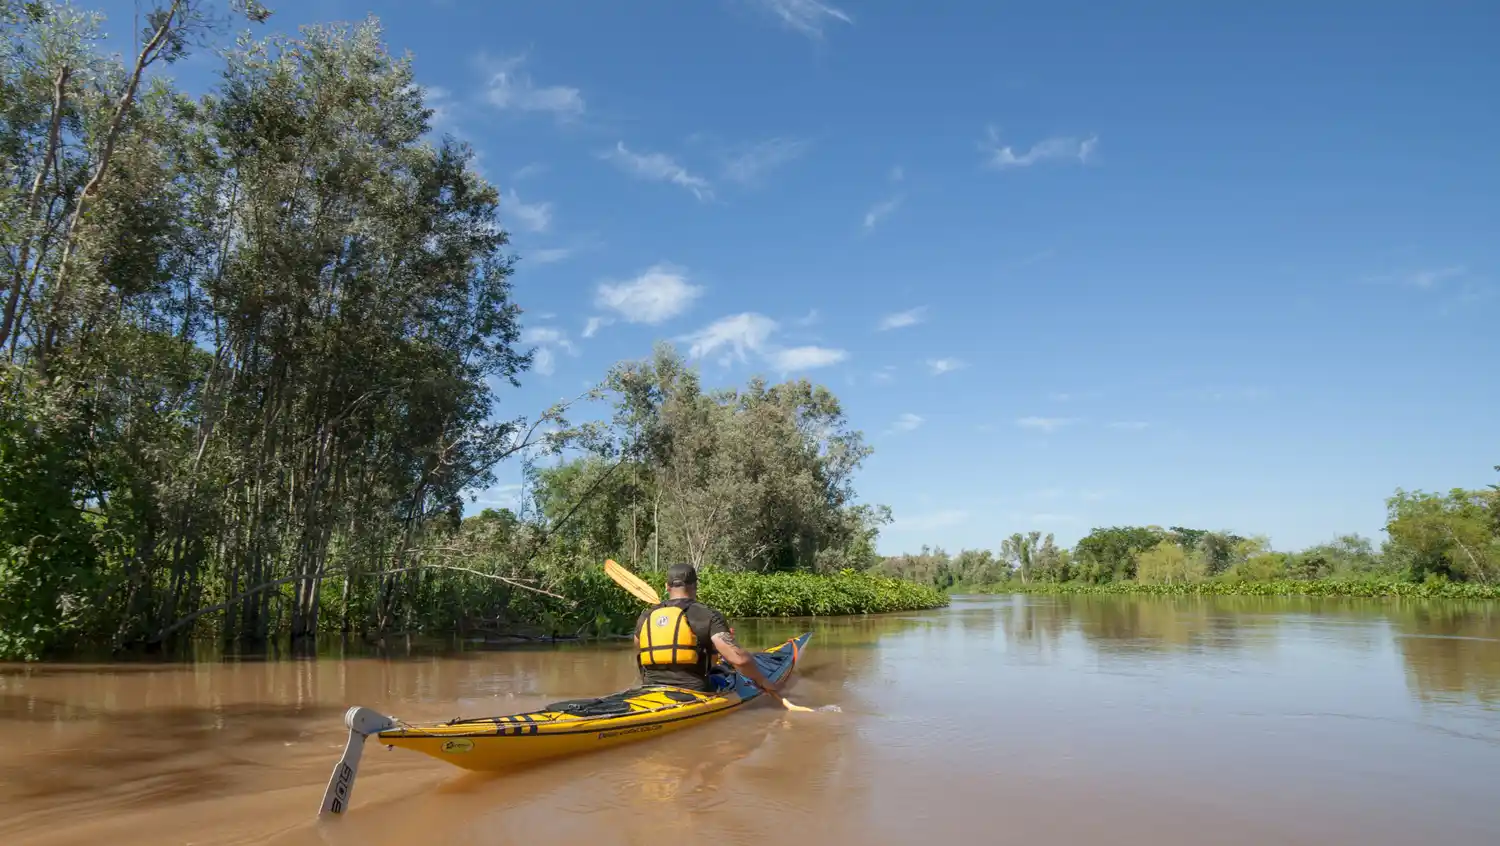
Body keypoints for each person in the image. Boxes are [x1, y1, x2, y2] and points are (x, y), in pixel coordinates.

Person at [633, 562, 788, 705]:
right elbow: (740, 660)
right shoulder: (707, 615)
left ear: (667, 586)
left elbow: (641, 648)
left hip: (650, 688)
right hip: (696, 691)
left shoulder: (646, 616)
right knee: (728, 673)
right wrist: (762, 680)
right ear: (695, 585)